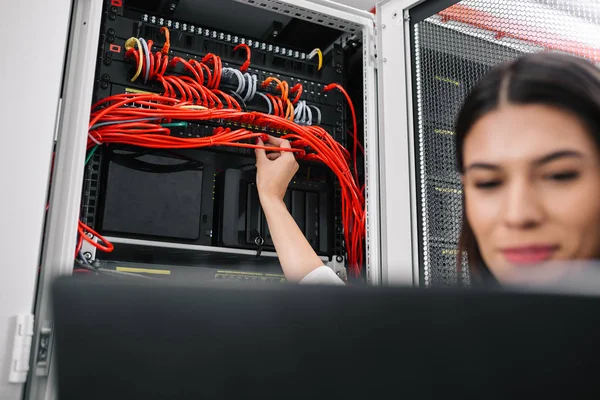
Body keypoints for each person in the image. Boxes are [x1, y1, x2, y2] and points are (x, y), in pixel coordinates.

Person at [255, 51, 600, 285]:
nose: (518, 214)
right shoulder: (465, 344)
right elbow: (341, 316)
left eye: (559, 175)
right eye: (488, 182)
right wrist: (272, 198)